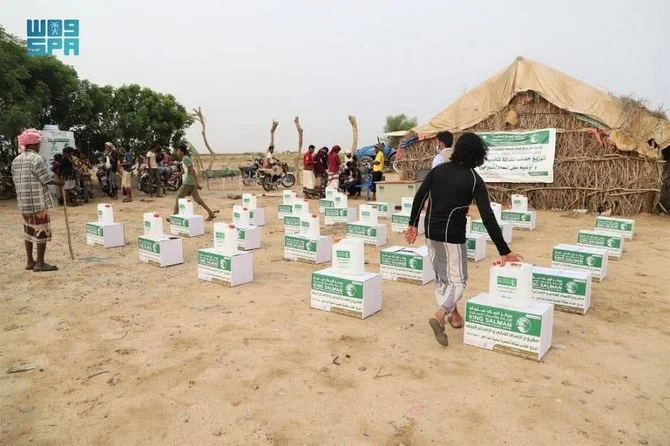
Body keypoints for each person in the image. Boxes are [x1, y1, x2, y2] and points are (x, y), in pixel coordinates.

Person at [404, 132, 523, 347]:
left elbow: (419, 197)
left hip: (431, 232)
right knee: (459, 281)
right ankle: (440, 314)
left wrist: (413, 224)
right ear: (479, 155)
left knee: (442, 277)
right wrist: (504, 250)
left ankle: (453, 316)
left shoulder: (438, 171)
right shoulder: (474, 180)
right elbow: (487, 217)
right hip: (453, 236)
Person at [12, 129, 63, 272]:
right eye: (38, 143)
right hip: (38, 202)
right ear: (33, 144)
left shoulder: (16, 160)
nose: (40, 146)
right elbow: (45, 179)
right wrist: (60, 183)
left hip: (23, 203)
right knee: (42, 230)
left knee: (28, 231)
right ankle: (40, 263)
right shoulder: (37, 159)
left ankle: (30, 261)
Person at [172, 144, 216, 221]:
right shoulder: (185, 158)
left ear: (182, 152)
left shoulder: (185, 159)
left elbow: (192, 170)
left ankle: (175, 216)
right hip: (190, 181)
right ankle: (211, 213)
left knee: (179, 197)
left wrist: (197, 183)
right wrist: (176, 176)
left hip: (188, 181)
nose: (177, 152)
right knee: (198, 200)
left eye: (178, 151)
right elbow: (185, 170)